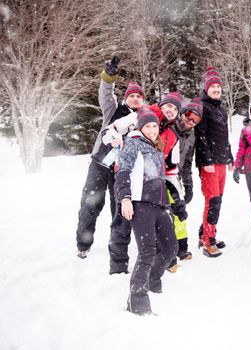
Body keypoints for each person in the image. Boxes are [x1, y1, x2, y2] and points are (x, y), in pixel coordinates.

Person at [75, 56, 144, 259]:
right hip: (100, 164)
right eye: (131, 96)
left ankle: (117, 247)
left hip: (121, 171)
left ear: (142, 100)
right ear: (126, 98)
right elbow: (105, 93)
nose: (135, 99)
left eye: (138, 97)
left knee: (120, 208)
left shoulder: (143, 119)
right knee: (90, 204)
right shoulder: (113, 110)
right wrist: (109, 75)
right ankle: (83, 244)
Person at [114, 107, 177, 315]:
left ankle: (152, 280)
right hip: (140, 204)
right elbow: (123, 171)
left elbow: (160, 180)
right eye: (148, 126)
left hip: (158, 205)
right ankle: (137, 302)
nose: (152, 129)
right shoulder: (133, 143)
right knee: (147, 251)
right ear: (141, 128)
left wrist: (169, 205)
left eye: (155, 126)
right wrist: (125, 198)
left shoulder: (157, 148)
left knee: (170, 248)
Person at [160, 97, 203, 272]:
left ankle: (181, 247)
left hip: (174, 176)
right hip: (160, 175)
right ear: (182, 113)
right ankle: (164, 250)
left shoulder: (191, 135)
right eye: (189, 115)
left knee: (180, 212)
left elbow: (187, 163)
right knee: (164, 215)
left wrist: (189, 185)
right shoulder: (169, 127)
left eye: (196, 119)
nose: (190, 121)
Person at [194, 66, 234, 258]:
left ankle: (206, 234)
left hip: (221, 161)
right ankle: (208, 242)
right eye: (213, 87)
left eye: (219, 86)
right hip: (209, 164)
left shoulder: (221, 110)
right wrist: (207, 159)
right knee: (213, 202)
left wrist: (230, 156)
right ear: (207, 89)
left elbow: (224, 137)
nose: (217, 89)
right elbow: (200, 136)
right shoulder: (203, 107)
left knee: (216, 201)